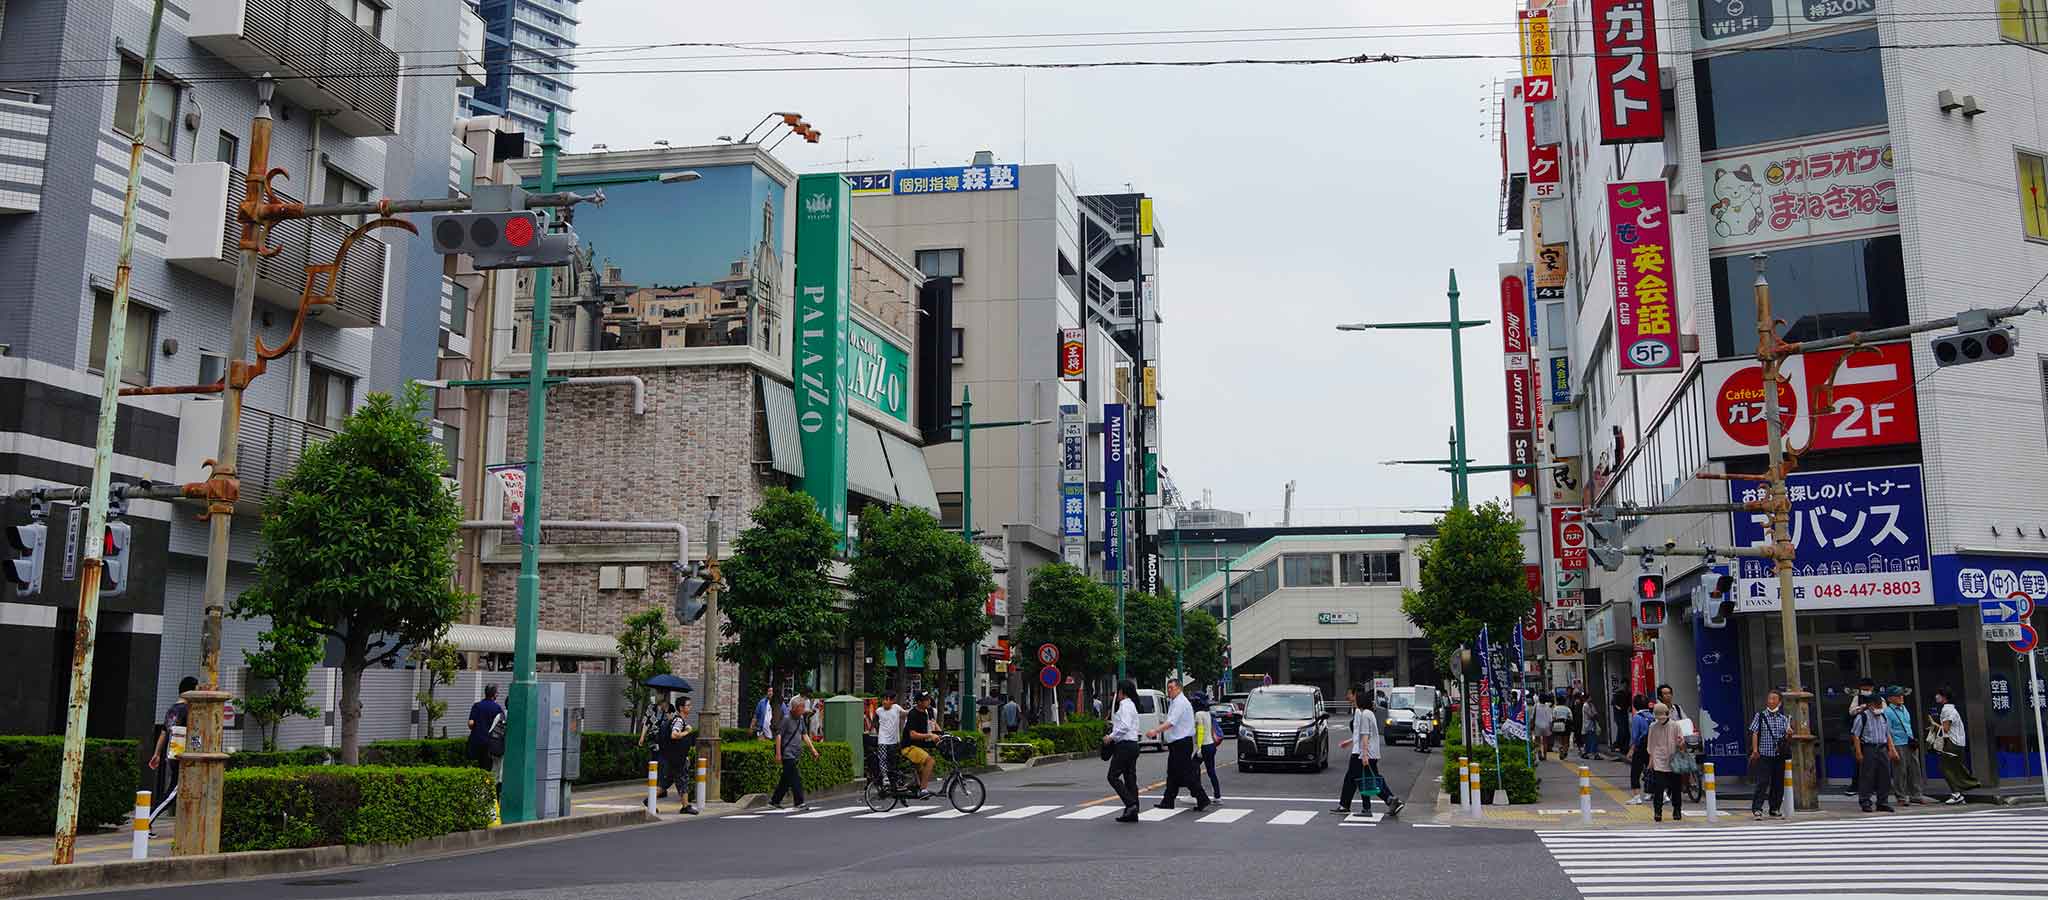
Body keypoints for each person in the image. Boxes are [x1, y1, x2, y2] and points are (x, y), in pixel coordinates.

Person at [1334, 683, 1404, 817]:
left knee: (1364, 779)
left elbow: (1365, 735)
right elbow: (1360, 734)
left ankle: (1380, 803)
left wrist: (1364, 754)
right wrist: (1349, 742)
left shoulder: (1363, 713)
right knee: (1366, 778)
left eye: (1350, 693)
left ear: (1357, 696)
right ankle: (1389, 800)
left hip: (1363, 752)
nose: (1348, 696)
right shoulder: (1364, 712)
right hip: (1364, 751)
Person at [1146, 681, 1210, 811]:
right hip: (1178, 743)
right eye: (1168, 688)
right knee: (1173, 773)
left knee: (1186, 774)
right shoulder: (1175, 702)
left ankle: (1202, 798)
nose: (1169, 690)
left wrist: (1155, 731)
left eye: (1171, 688)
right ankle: (1168, 800)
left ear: (1179, 688)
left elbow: (1171, 722)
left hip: (1182, 743)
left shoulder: (1180, 702)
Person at [147, 676, 198, 829]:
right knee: (173, 792)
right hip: (182, 755)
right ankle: (146, 821)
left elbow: (164, 733)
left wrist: (157, 754)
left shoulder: (172, 709)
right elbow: (194, 733)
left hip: (172, 754)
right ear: (191, 690)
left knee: (183, 791)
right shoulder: (188, 710)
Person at [1849, 690, 1898, 813]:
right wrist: (1859, 752)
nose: (1880, 708)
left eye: (1880, 705)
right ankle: (1865, 801)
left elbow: (1887, 734)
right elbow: (1855, 735)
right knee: (1867, 776)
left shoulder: (1883, 716)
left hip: (1882, 748)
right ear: (1870, 705)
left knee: (1885, 775)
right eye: (1877, 705)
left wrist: (1892, 749)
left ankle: (1883, 802)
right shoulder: (1862, 717)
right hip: (1868, 748)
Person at [1929, 688, 1979, 803]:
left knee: (1946, 768)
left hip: (1952, 743)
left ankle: (1957, 793)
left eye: (1939, 694)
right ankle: (1961, 792)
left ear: (1944, 697)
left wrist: (1933, 724)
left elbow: (1945, 729)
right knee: (1955, 768)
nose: (1936, 696)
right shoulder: (1952, 709)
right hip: (1958, 742)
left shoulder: (1946, 710)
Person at [767, 696, 818, 811]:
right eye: (801, 708)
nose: (803, 710)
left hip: (795, 754)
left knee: (785, 780)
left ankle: (774, 801)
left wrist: (813, 750)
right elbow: (779, 736)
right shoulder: (786, 719)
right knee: (795, 778)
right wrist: (778, 754)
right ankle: (799, 802)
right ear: (794, 708)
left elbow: (804, 735)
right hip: (787, 754)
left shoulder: (800, 719)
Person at [1102, 679, 1143, 823]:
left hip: (1124, 745)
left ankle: (1130, 804)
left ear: (1122, 692)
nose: (1116, 694)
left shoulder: (1125, 706)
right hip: (1133, 745)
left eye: (1117, 691)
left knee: (1112, 776)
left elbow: (1124, 726)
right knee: (1130, 778)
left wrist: (1110, 737)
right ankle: (1133, 810)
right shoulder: (1132, 705)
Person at [1747, 689, 1791, 819]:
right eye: (1769, 698)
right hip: (1764, 754)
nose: (1771, 701)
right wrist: (1755, 750)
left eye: (1774, 699)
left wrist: (1789, 734)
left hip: (1779, 755)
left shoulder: (1783, 719)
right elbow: (1754, 732)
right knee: (1763, 782)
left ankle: (1775, 808)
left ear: (1779, 702)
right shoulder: (1760, 716)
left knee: (1778, 783)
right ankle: (1757, 809)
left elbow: (1787, 739)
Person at [1883, 686, 1928, 806]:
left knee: (1915, 769)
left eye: (1902, 695)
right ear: (1890, 698)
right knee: (1900, 771)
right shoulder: (1887, 712)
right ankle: (1901, 796)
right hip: (1898, 743)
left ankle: (1916, 794)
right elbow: (1887, 731)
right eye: (1898, 696)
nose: (1901, 697)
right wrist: (1891, 748)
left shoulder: (1904, 708)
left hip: (1909, 742)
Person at [1645, 702, 1684, 822]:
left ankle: (1677, 810)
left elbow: (1681, 742)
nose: (1660, 720)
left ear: (1667, 714)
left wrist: (1680, 743)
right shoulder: (1653, 726)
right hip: (1659, 760)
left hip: (1673, 759)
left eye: (1663, 716)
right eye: (1658, 717)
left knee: (1676, 787)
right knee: (1659, 788)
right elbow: (1650, 744)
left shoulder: (1675, 725)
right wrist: (1651, 761)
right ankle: (1658, 812)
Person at [665, 697, 700, 814]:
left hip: (677, 757)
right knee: (683, 780)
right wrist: (687, 731)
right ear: (681, 708)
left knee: (668, 782)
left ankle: (649, 800)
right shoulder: (679, 721)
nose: (690, 707)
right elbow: (674, 735)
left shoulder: (680, 720)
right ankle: (685, 806)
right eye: (688, 705)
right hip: (678, 758)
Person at [903, 692, 942, 796]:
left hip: (921, 745)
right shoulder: (913, 714)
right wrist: (929, 736)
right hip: (910, 746)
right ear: (919, 702)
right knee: (930, 761)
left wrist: (942, 735)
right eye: (926, 700)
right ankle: (923, 789)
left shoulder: (929, 711)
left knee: (921, 768)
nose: (929, 701)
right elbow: (912, 734)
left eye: (929, 699)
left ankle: (916, 784)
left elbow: (933, 723)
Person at [870, 689, 907, 788]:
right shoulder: (878, 711)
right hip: (882, 739)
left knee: (893, 760)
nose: (885, 701)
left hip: (894, 740)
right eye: (883, 699)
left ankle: (894, 778)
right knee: (882, 758)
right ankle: (885, 777)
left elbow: (905, 714)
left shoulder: (896, 708)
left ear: (892, 701)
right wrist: (875, 732)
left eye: (887, 699)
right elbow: (874, 723)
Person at [1192, 692, 1223, 802]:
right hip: (1211, 745)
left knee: (1193, 767)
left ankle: (1197, 795)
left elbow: (1200, 731)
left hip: (1204, 746)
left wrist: (1199, 748)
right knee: (1211, 771)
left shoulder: (1198, 714)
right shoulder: (1208, 713)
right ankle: (1217, 796)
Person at [467, 684, 505, 772]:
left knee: (475, 768)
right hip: (490, 742)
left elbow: (470, 723)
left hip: (476, 740)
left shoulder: (477, 705)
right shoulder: (497, 708)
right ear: (495, 695)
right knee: (488, 768)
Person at [1626, 694, 1653, 804]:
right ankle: (1655, 793)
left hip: (1641, 747)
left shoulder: (1637, 717)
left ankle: (1636, 796)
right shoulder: (1652, 715)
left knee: (1635, 771)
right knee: (1651, 770)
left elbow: (1635, 736)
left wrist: (1631, 749)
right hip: (1652, 746)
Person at [1579, 693, 1602, 760]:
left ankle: (1587, 753)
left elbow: (1595, 713)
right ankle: (1594, 754)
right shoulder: (1585, 705)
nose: (1591, 698)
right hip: (1588, 725)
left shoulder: (1591, 705)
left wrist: (1595, 716)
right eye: (1589, 697)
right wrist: (1595, 716)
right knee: (1592, 740)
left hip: (1592, 725)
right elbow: (1591, 715)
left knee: (1591, 740)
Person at [1530, 695, 1553, 760]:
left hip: (1537, 725)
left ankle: (1539, 753)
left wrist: (1531, 725)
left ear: (1539, 699)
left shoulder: (1536, 706)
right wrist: (1551, 727)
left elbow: (1532, 717)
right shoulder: (1548, 707)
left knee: (1538, 741)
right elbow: (1550, 719)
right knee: (1545, 741)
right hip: (1546, 726)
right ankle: (1545, 756)